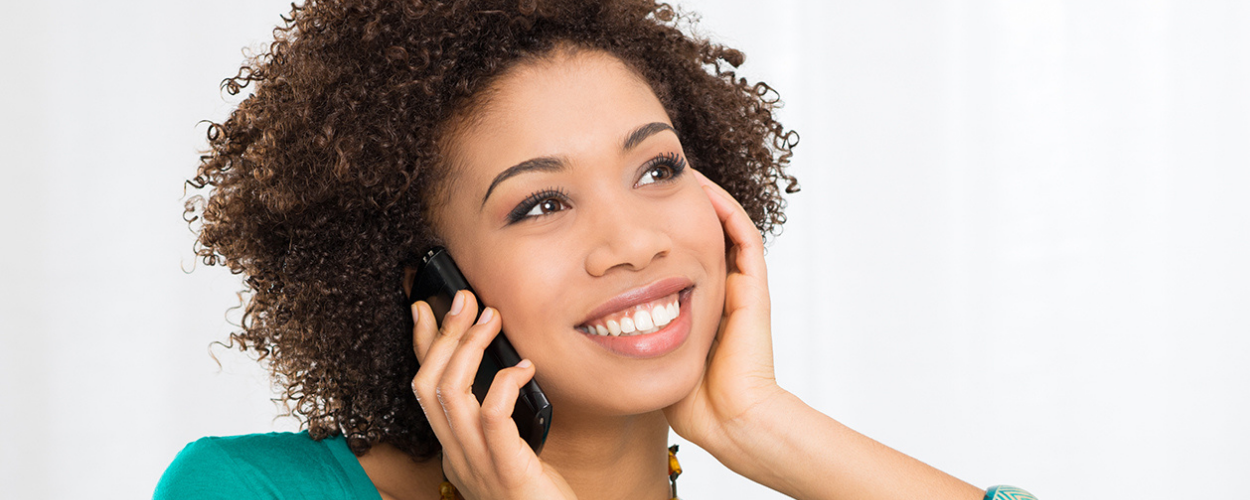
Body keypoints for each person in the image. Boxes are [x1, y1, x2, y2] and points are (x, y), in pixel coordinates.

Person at [158, 0, 1035, 499]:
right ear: (427, 282)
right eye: (541, 203)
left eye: (657, 170)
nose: (632, 242)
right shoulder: (243, 491)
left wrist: (758, 423)